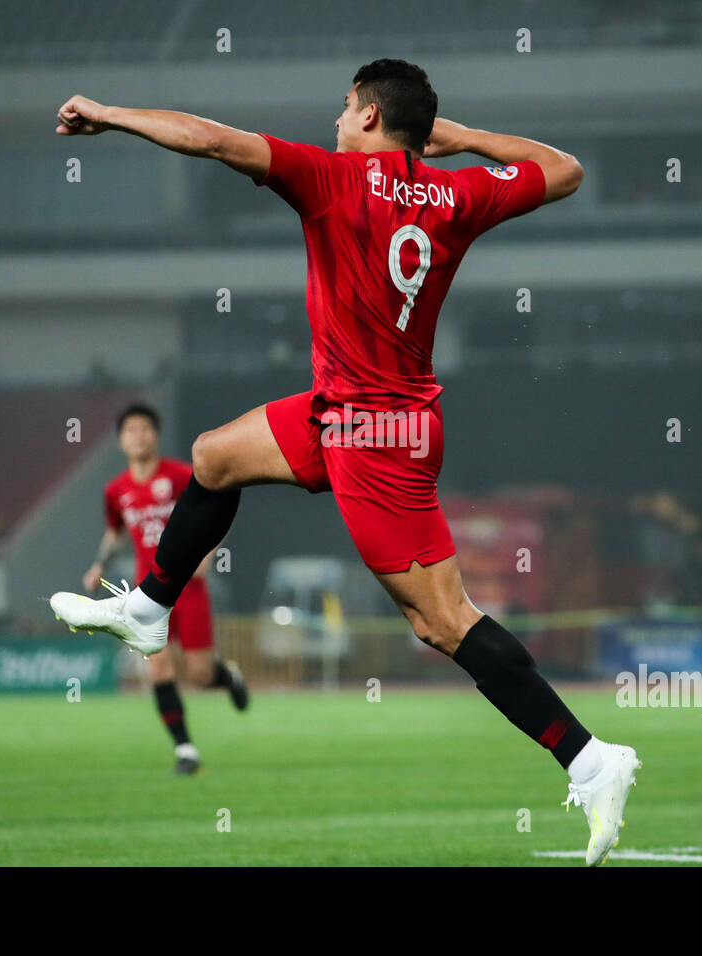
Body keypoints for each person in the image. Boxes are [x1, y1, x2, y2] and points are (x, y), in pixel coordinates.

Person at [49, 58, 639, 864]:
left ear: (367, 117)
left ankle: (591, 759)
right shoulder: (458, 195)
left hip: (374, 437)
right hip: (349, 410)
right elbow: (563, 171)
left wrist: (110, 112)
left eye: (343, 107)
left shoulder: (328, 179)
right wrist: (460, 140)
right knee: (215, 457)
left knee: (442, 621)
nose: (334, 120)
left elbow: (211, 140)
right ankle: (148, 611)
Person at [77, 402, 248, 776]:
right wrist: (98, 566)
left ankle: (228, 678)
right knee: (159, 669)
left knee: (200, 676)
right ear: (121, 441)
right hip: (147, 592)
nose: (139, 436)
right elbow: (115, 532)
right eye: (131, 430)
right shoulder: (116, 490)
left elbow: (216, 507)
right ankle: (186, 750)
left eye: (145, 428)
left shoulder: (182, 475)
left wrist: (209, 554)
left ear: (155, 435)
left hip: (188, 587)